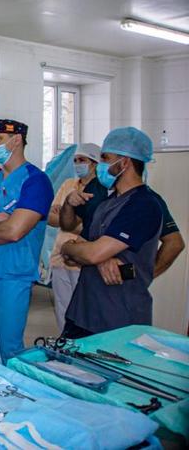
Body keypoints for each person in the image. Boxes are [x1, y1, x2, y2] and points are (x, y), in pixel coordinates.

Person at [59, 128, 166, 338]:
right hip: (83, 312)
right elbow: (75, 254)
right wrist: (75, 249)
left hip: (118, 317)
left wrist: (77, 249)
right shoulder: (108, 203)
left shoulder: (143, 205)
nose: (101, 165)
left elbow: (91, 253)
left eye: (105, 158)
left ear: (124, 162)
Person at [0, 119, 54, 361]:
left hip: (13, 277)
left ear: (17, 140)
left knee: (7, 348)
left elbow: (14, 232)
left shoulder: (35, 181)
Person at [47, 142, 102, 332]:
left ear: (94, 163)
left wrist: (65, 216)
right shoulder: (68, 185)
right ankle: (65, 345)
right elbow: (50, 218)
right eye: (76, 160)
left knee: (84, 311)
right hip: (59, 258)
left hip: (83, 260)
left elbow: (96, 228)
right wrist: (73, 222)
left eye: (82, 160)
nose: (78, 164)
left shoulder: (100, 190)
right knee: (62, 309)